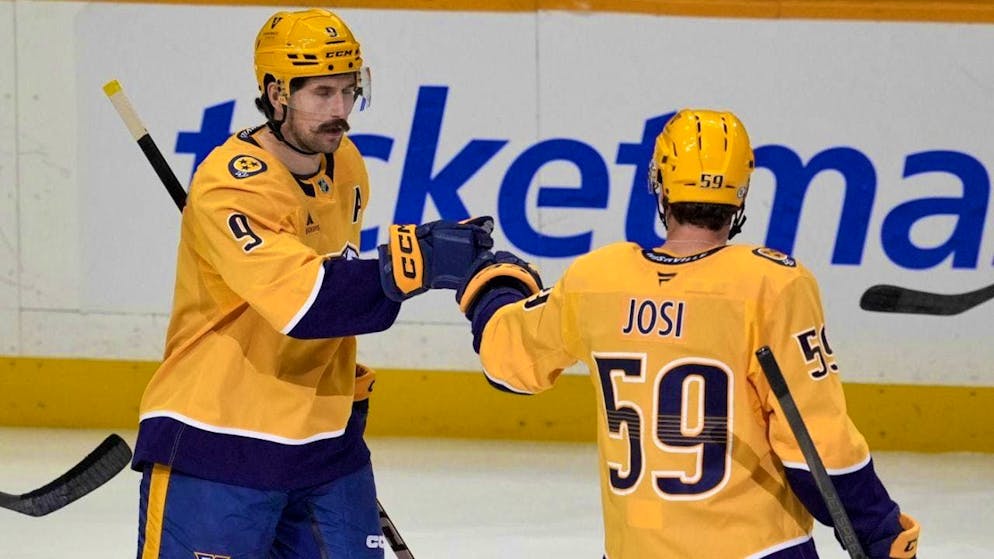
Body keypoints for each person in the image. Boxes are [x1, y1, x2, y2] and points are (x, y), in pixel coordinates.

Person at [456, 109, 921, 558]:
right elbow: (816, 445)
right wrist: (877, 528)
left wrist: (491, 282)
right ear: (741, 193)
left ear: (659, 184)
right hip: (757, 551)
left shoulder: (599, 279)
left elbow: (507, 361)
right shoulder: (772, 284)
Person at [132, 9, 492, 558]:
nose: (341, 111)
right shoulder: (230, 185)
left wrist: (339, 379)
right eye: (322, 93)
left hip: (325, 447)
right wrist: (416, 259)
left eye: (349, 91)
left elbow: (333, 283)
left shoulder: (344, 162)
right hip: (217, 443)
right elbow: (308, 304)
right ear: (276, 92)